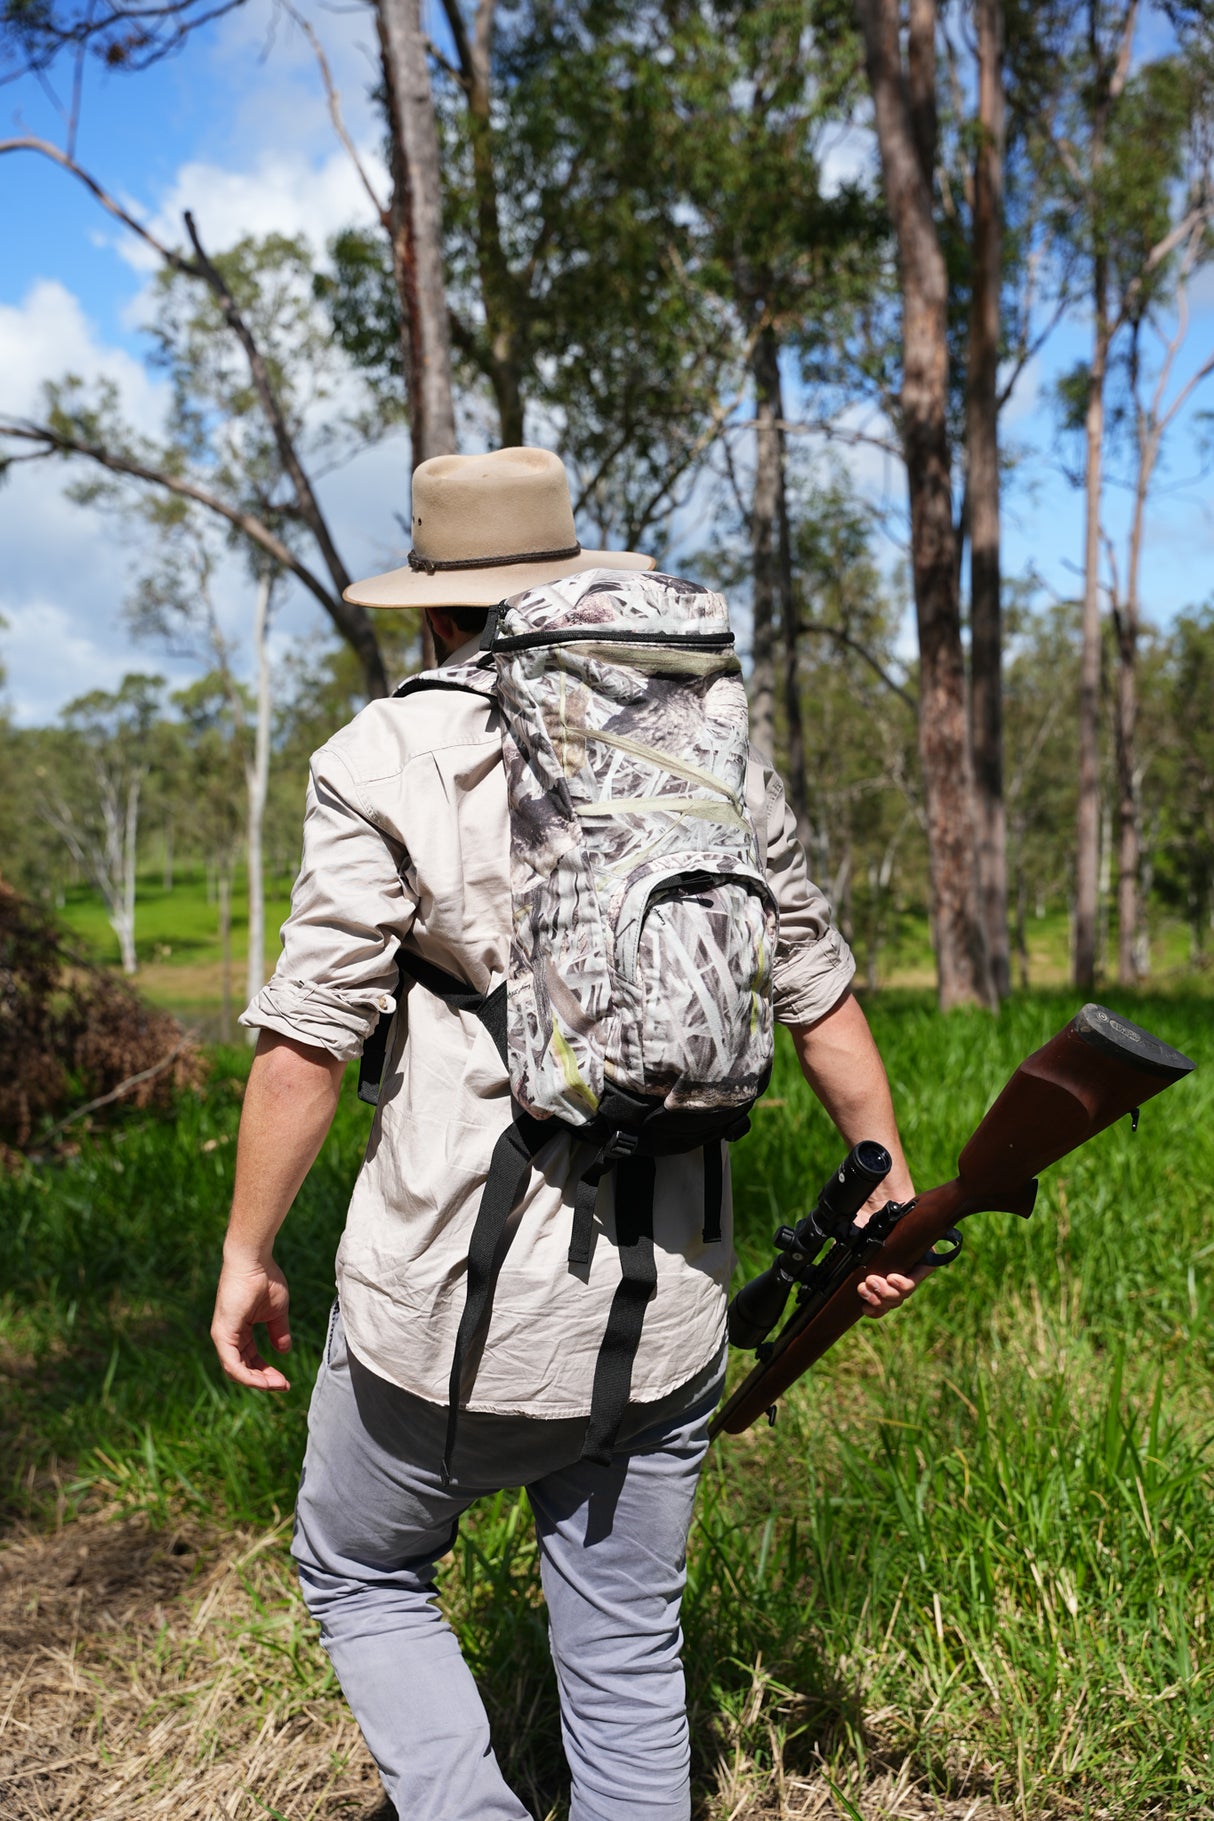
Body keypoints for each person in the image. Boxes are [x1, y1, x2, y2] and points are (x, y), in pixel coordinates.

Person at [210, 446, 923, 1821]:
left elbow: (307, 1038)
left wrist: (247, 1250)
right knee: (624, 1644)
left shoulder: (391, 748)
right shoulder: (703, 739)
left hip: (454, 1312)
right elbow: (818, 989)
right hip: (672, 1314)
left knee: (359, 1566)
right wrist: (877, 1179)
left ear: (430, 608)